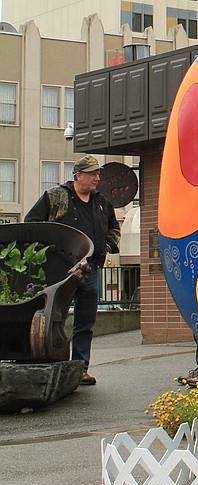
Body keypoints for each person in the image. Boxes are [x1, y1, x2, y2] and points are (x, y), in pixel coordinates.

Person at [25, 155, 120, 385]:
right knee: (53, 317)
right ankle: (51, 365)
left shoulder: (101, 203)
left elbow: (114, 228)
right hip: (61, 271)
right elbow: (32, 223)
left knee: (85, 321)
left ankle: (80, 368)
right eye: (92, 174)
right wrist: (46, 253)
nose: (97, 178)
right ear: (78, 176)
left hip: (90, 270)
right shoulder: (56, 197)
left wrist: (106, 246)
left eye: (98, 173)